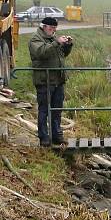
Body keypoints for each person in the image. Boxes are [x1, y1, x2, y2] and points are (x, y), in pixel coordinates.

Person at [29, 17, 73, 147]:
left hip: (58, 80)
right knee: (44, 109)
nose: (53, 31)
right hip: (44, 81)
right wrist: (56, 43)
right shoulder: (35, 39)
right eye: (51, 28)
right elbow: (41, 53)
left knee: (57, 109)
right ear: (44, 26)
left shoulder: (53, 38)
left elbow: (61, 55)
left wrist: (68, 45)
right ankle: (44, 137)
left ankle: (57, 135)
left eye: (55, 28)